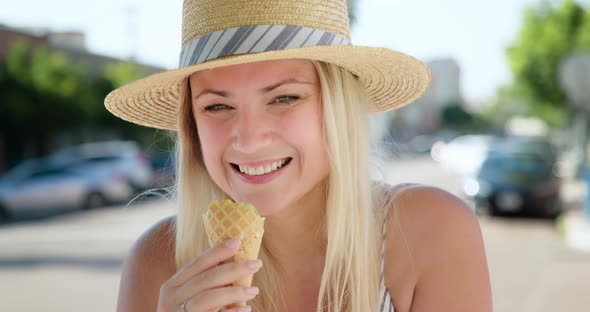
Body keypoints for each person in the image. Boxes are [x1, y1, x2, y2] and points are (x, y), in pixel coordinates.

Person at [106, 1, 492, 311]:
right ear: (192, 127)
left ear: (336, 107)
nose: (250, 140)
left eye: (284, 98)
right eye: (217, 107)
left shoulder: (430, 232)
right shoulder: (156, 265)